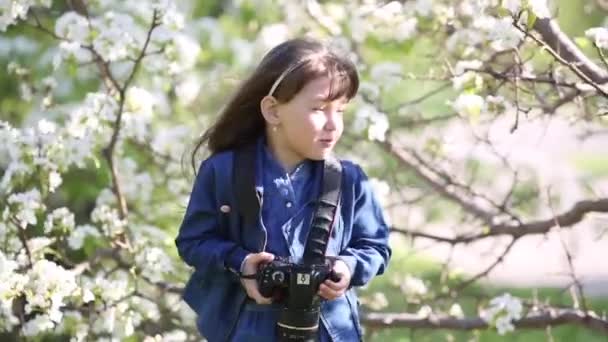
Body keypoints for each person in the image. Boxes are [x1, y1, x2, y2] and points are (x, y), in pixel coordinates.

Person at [175, 37, 392, 342]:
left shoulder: (349, 180)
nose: (333, 124)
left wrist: (347, 267)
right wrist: (241, 263)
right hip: (247, 329)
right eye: (319, 108)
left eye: (340, 110)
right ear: (273, 111)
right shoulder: (223, 172)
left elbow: (376, 245)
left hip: (329, 330)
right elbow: (193, 241)